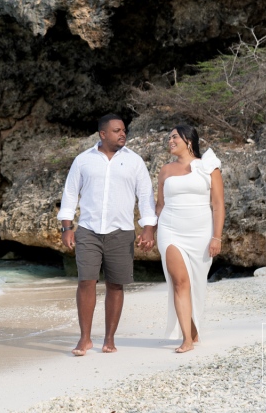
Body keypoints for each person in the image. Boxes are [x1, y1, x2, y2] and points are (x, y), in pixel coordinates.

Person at [58, 114, 157, 356]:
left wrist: (148, 228)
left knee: (115, 285)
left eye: (124, 130)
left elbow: (146, 197)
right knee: (86, 282)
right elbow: (70, 194)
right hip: (88, 230)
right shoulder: (83, 161)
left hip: (121, 232)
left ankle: (109, 338)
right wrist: (67, 228)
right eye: (116, 130)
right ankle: (85, 339)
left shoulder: (134, 161)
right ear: (103, 134)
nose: (122, 134)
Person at [155, 124, 225, 353]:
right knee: (180, 281)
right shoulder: (165, 170)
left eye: (174, 136)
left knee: (195, 282)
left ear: (189, 140)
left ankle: (193, 330)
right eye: (169, 137)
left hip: (201, 232)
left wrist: (217, 237)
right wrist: (148, 230)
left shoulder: (208, 166)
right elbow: (160, 206)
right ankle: (186, 338)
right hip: (170, 230)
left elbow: (217, 205)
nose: (170, 140)